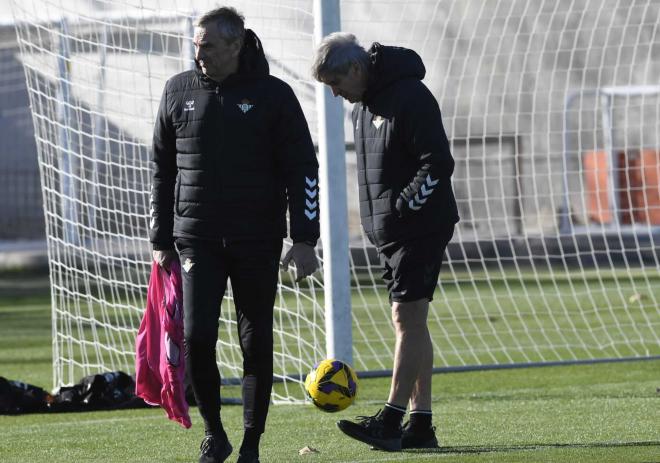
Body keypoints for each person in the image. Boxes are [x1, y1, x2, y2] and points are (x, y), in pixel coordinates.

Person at [149, 7, 320, 463]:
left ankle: (250, 445)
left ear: (235, 45)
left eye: (206, 45)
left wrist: (305, 239)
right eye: (196, 44)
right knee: (197, 338)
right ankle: (214, 434)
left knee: (254, 340)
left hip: (256, 240)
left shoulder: (274, 96)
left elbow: (303, 168)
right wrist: (160, 238)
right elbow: (162, 171)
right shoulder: (177, 91)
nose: (197, 52)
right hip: (196, 240)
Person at [312, 33, 459, 452]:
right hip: (392, 232)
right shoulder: (364, 107)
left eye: (337, 83)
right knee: (411, 322)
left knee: (406, 320)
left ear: (356, 69)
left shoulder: (411, 96)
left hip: (419, 227)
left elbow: (438, 161)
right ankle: (420, 425)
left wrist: (402, 207)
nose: (336, 93)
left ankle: (391, 420)